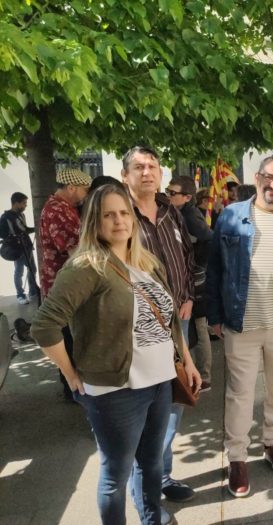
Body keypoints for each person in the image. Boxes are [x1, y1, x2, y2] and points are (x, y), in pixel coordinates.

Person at [31, 183, 201, 525]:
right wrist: (71, 374)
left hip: (160, 382)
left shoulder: (147, 263)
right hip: (116, 392)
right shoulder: (86, 267)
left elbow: (168, 319)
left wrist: (187, 360)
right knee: (116, 476)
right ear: (94, 221)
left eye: (124, 213)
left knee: (151, 463)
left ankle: (152, 519)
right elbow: (44, 326)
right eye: (108, 214)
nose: (119, 220)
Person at [207, 156, 273, 497]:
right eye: (269, 177)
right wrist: (214, 316)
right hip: (242, 324)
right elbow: (214, 268)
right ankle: (237, 458)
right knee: (239, 394)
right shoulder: (231, 215)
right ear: (257, 178)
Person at [120, 146, 197, 509]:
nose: (147, 172)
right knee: (146, 412)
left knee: (174, 400)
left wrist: (189, 295)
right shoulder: (119, 214)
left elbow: (187, 256)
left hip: (179, 319)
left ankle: (162, 476)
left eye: (152, 165)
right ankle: (144, 493)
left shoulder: (170, 211)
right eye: (138, 167)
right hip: (141, 328)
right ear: (125, 176)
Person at [39, 168, 92, 399]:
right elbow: (76, 252)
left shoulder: (63, 208)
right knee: (68, 336)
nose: (86, 195)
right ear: (71, 188)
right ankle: (73, 388)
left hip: (62, 280)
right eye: (84, 190)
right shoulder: (58, 211)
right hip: (64, 284)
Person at [167, 176, 214, 392]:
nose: (168, 195)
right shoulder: (177, 212)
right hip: (190, 276)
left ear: (187, 197)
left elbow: (209, 238)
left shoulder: (189, 215)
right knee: (194, 326)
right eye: (167, 191)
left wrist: (197, 264)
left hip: (194, 278)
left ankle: (203, 376)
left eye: (172, 193)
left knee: (198, 325)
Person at [0, 192, 39, 304]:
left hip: (26, 246)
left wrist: (36, 228)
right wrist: (11, 237)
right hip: (16, 248)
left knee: (32, 269)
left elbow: (25, 230)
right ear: (16, 203)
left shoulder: (21, 215)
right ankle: (20, 295)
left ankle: (33, 292)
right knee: (19, 272)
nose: (25, 205)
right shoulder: (5, 217)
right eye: (24, 203)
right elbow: (2, 234)